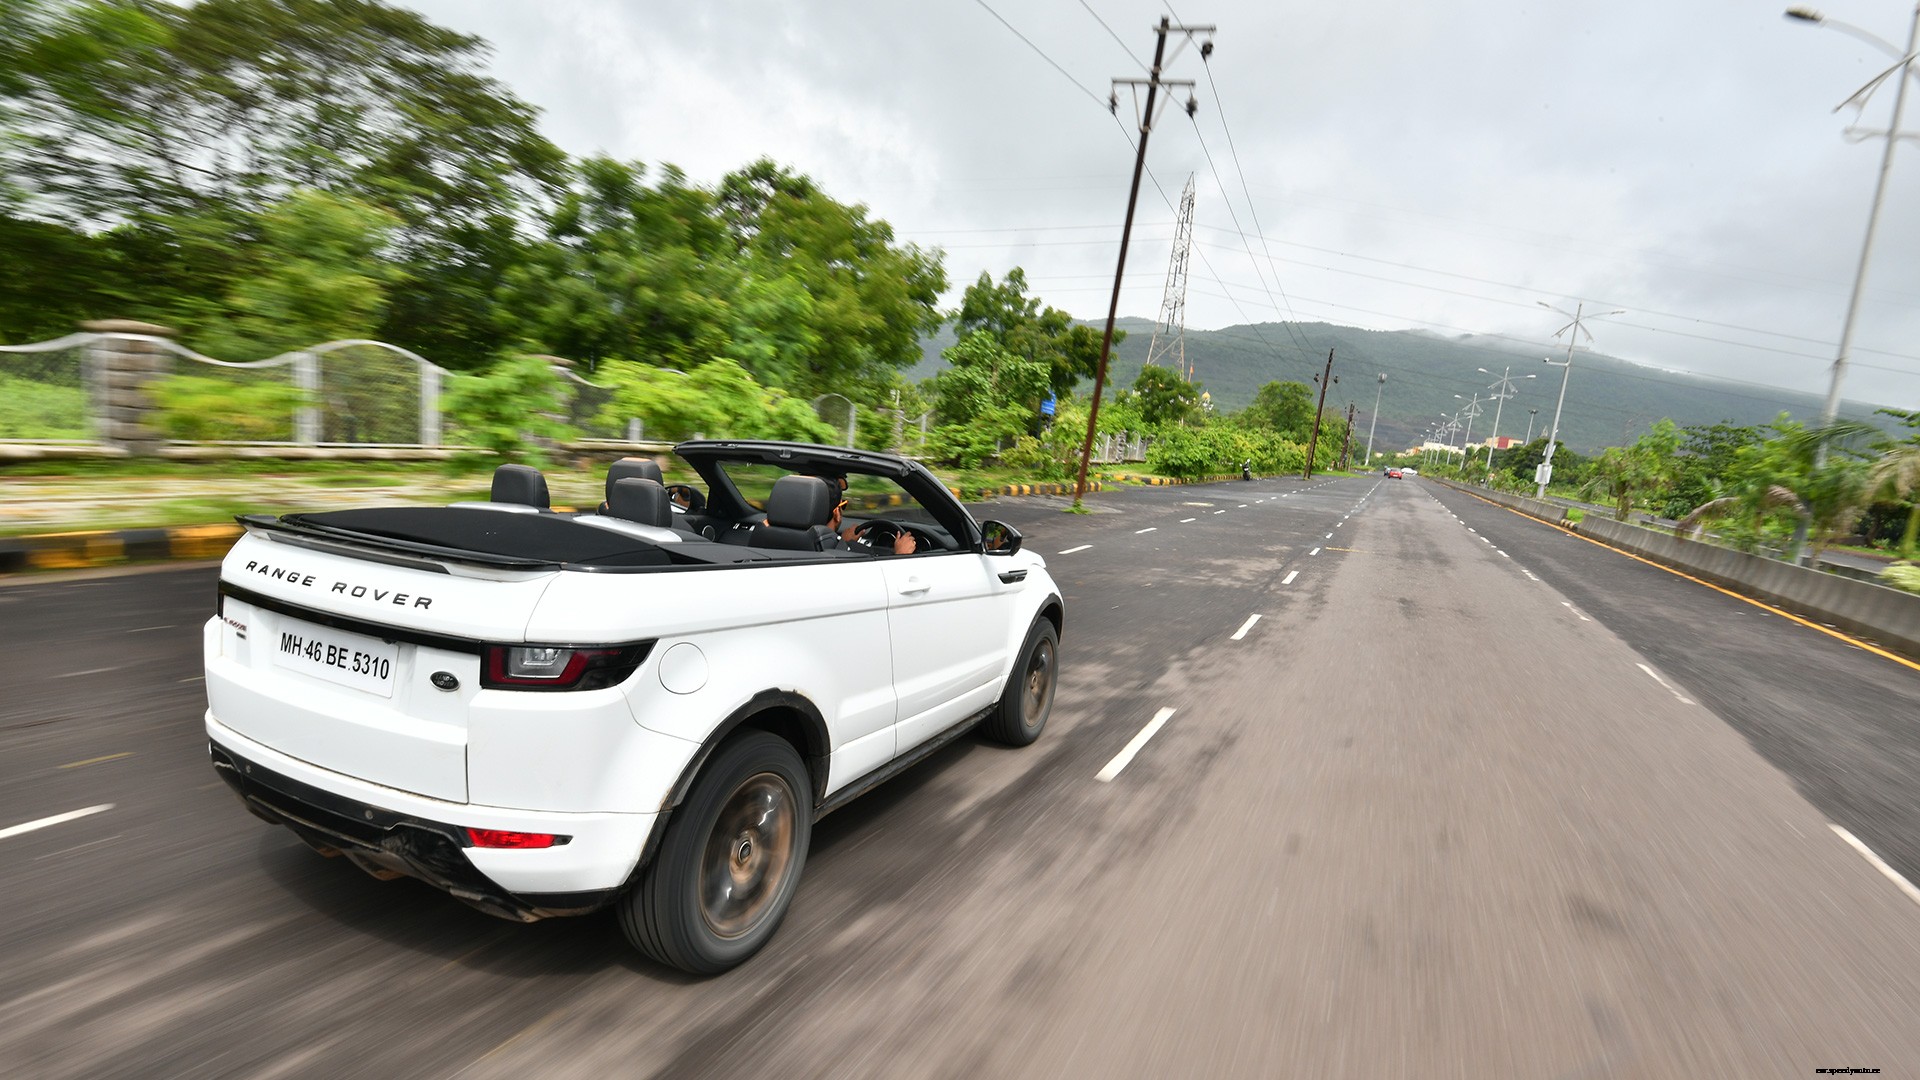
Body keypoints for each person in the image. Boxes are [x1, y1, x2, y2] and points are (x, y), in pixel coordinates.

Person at [814, 474, 915, 555]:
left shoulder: (809, 544)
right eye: (843, 505)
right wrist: (901, 554)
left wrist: (844, 543)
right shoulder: (852, 558)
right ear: (836, 513)